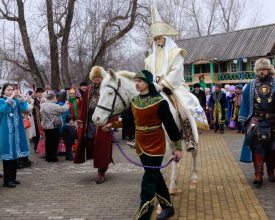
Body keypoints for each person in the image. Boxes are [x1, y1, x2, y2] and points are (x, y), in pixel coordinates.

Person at [128, 70, 182, 220]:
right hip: (141, 145)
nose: (137, 83)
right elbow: (126, 121)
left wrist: (178, 147)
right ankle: (168, 208)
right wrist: (111, 126)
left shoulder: (160, 102)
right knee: (156, 176)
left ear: (148, 83)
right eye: (136, 81)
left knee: (148, 181)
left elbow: (171, 125)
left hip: (155, 146)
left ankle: (143, 216)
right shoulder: (134, 101)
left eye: (140, 81)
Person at [144, 5, 199, 152]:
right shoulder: (149, 59)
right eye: (155, 38)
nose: (157, 40)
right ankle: (136, 136)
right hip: (154, 87)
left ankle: (189, 138)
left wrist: (163, 84)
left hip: (174, 86)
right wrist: (150, 84)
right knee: (138, 104)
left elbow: (176, 71)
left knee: (184, 108)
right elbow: (148, 74)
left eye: (160, 37)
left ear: (166, 37)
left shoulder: (177, 52)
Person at [239, 58, 275, 187]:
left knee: (273, 148)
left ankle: (271, 172)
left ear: (269, 70)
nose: (261, 72)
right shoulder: (251, 85)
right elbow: (245, 102)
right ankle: (258, 175)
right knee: (257, 147)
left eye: (264, 69)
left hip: (273, 121)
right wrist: (242, 119)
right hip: (256, 120)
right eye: (259, 69)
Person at [74, 66, 118, 184]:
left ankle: (101, 172)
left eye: (99, 77)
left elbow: (113, 106)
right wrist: (80, 120)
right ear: (92, 78)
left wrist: (112, 123)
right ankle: (98, 164)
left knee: (102, 147)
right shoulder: (88, 90)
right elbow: (84, 106)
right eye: (95, 77)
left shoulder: (108, 88)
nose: (97, 79)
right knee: (91, 144)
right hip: (90, 122)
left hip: (103, 122)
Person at [0, 83, 30, 188]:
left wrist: (20, 97)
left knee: (15, 154)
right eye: (8, 90)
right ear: (4, 92)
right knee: (8, 155)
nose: (11, 91)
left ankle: (13, 178)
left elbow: (25, 108)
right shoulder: (0, 101)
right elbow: (4, 109)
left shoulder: (15, 100)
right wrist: (11, 97)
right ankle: (7, 181)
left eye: (12, 90)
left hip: (17, 131)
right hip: (6, 131)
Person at [40, 91, 69, 162]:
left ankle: (48, 156)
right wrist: (67, 103)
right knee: (54, 143)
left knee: (48, 142)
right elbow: (63, 109)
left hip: (46, 126)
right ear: (53, 97)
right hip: (53, 126)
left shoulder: (43, 105)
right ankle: (52, 158)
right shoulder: (52, 105)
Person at [32, 88, 44, 152]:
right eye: (38, 92)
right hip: (35, 120)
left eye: (41, 92)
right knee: (36, 134)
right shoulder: (33, 100)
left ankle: (41, 147)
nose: (40, 94)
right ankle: (36, 147)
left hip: (43, 119)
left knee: (42, 134)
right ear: (36, 93)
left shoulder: (44, 100)